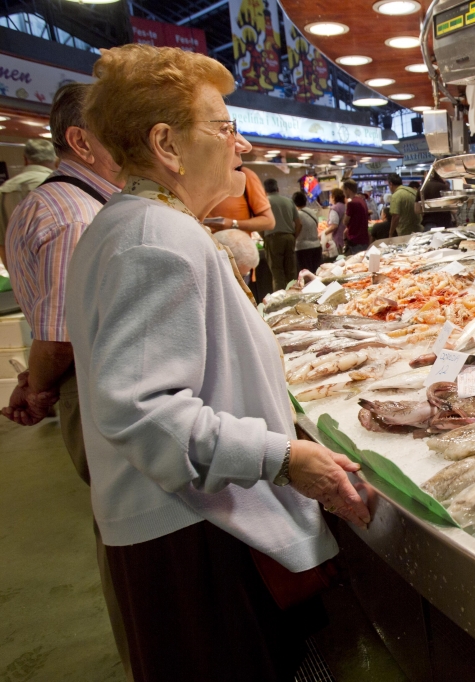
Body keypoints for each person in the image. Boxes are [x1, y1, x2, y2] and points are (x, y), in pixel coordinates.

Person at [65, 44, 370, 682]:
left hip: (188, 522)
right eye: (224, 127)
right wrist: (283, 457)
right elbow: (143, 409)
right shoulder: (158, 238)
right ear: (166, 144)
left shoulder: (135, 224)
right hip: (192, 535)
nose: (243, 146)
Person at [1, 81, 133, 681]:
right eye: (119, 128)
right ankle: (147, 652)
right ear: (81, 140)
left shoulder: (65, 203)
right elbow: (60, 334)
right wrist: (40, 386)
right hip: (96, 386)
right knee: (126, 524)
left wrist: (33, 379)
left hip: (92, 382)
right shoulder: (74, 212)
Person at [0, 139, 58, 265]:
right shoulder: (59, 185)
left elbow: (2, 240)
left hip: (19, 265)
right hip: (54, 263)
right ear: (55, 159)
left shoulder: (5, 189)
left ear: (25, 159)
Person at [204, 165, 274, 234]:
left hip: (234, 242)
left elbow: (269, 222)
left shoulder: (244, 175)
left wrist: (233, 224)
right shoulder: (199, 175)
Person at [263, 176, 301, 291]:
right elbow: (299, 224)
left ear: (264, 190)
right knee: (291, 273)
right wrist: (293, 237)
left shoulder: (264, 202)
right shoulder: (288, 201)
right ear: (278, 189)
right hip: (289, 237)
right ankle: (296, 297)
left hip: (273, 238)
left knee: (277, 274)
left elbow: (260, 225)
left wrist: (265, 237)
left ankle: (281, 303)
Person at [292, 191, 322, 273]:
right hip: (317, 246)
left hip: (303, 249)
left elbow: (295, 229)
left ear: (294, 203)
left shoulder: (297, 215)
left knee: (306, 275)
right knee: (317, 273)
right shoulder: (312, 212)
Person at [341, 180, 370, 254]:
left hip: (355, 239)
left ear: (347, 189)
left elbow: (345, 221)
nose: (343, 193)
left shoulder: (352, 203)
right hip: (364, 238)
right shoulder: (362, 201)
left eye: (343, 190)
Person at [324, 188, 345, 256]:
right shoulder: (345, 206)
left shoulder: (335, 208)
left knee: (340, 258)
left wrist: (324, 233)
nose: (329, 198)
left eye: (330, 196)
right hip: (346, 238)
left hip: (339, 239)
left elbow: (334, 225)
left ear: (334, 197)